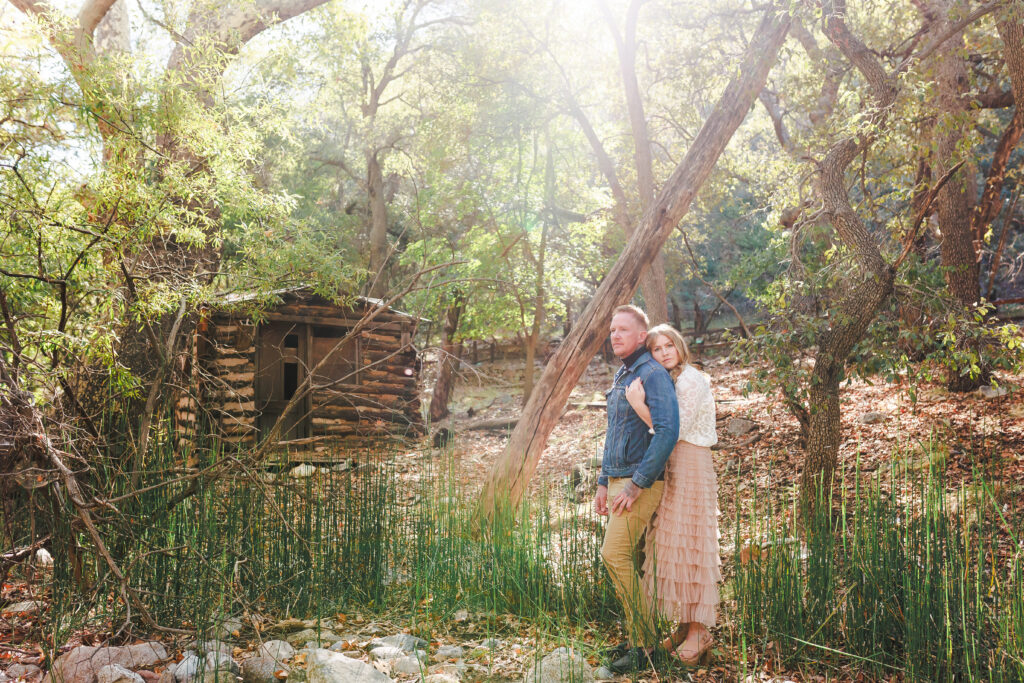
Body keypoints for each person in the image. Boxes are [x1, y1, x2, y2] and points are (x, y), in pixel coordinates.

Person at [625, 323, 720, 665]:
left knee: (692, 542)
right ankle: (684, 627)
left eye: (669, 345)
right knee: (674, 541)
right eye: (656, 349)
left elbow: (675, 428)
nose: (664, 352)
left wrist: (637, 403)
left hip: (691, 461)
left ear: (680, 346)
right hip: (674, 462)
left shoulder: (692, 379)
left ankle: (700, 631)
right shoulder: (673, 379)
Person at [594, 305, 679, 673]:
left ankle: (645, 646)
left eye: (623, 330)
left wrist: (636, 484)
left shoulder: (653, 374)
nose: (615, 335)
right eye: (612, 329)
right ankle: (637, 637)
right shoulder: (622, 374)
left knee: (614, 555)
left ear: (641, 336)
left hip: (640, 483)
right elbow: (614, 432)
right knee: (625, 559)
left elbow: (667, 432)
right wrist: (602, 481)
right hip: (617, 478)